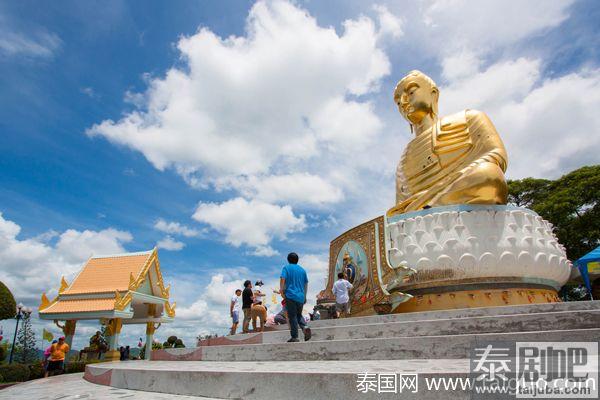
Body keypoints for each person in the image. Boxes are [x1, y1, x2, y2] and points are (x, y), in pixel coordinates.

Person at [280, 252, 311, 342]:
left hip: (290, 295)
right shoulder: (302, 270)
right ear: (297, 260)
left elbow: (282, 278)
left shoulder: (286, 268)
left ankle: (295, 337)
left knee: (292, 316)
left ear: (288, 260)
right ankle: (305, 327)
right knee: (298, 315)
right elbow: (306, 284)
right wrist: (305, 296)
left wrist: (281, 290)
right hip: (301, 296)